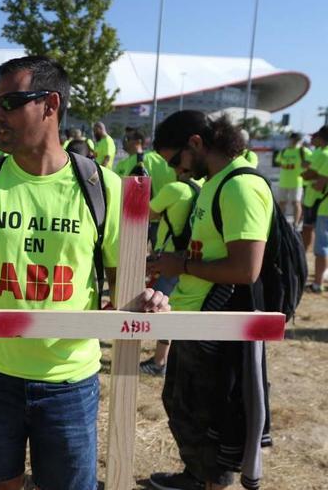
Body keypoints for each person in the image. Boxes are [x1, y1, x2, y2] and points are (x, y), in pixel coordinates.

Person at [0, 55, 169, 490]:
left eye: (10, 102)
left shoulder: (107, 188)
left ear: (50, 105)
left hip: (70, 383)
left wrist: (147, 302)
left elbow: (128, 292)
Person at [148, 111, 274, 490]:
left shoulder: (240, 186)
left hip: (217, 322)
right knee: (183, 405)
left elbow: (245, 269)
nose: (177, 173)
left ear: (196, 144)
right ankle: (197, 474)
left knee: (211, 413)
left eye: (175, 161)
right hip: (196, 316)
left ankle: (211, 480)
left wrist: (180, 263)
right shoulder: (217, 183)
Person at [141, 153, 203, 377]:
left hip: (167, 258)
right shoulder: (201, 188)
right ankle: (164, 358)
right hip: (190, 257)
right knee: (177, 305)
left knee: (164, 308)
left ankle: (159, 362)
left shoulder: (174, 189)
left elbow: (148, 212)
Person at [301, 127, 328, 253]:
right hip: (316, 197)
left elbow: (307, 174)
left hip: (315, 198)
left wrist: (314, 176)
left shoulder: (323, 154)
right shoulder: (319, 151)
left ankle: (304, 254)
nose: (312, 139)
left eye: (314, 137)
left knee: (310, 228)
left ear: (320, 138)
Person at [275, 132, 308, 228]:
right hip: (283, 181)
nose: (293, 141)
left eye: (295, 139)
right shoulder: (284, 151)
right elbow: (278, 162)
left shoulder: (303, 151)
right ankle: (281, 223)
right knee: (281, 202)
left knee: (296, 202)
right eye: (292, 139)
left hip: (297, 181)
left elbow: (312, 161)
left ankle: (296, 224)